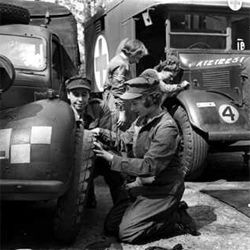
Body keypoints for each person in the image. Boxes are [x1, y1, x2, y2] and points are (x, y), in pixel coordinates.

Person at [90, 72, 199, 246]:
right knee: (111, 227)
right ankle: (148, 211)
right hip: (146, 186)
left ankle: (175, 218)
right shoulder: (143, 119)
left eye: (135, 103)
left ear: (151, 99)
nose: (132, 108)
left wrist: (112, 159)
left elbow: (150, 166)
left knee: (128, 233)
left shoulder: (166, 128)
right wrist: (101, 133)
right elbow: (124, 140)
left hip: (164, 190)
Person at [65, 76, 124, 207]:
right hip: (72, 159)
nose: (80, 99)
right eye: (76, 95)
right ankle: (87, 198)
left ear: (89, 96)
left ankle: (121, 209)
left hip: (96, 154)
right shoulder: (62, 112)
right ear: (68, 95)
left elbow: (107, 138)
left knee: (115, 169)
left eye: (84, 95)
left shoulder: (99, 108)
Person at [103, 38, 148, 131]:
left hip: (114, 103)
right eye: (137, 57)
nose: (137, 61)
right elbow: (117, 90)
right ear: (133, 53)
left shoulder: (118, 60)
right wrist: (122, 112)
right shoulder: (121, 64)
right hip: (116, 106)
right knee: (118, 135)